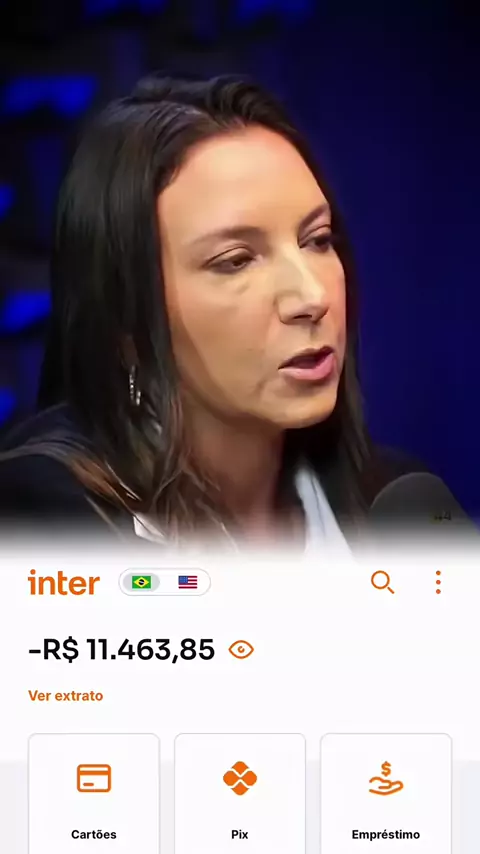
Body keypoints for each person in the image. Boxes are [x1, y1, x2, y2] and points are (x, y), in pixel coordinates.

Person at [0, 73, 433, 550]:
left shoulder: (400, 504)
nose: (312, 297)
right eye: (236, 261)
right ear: (127, 323)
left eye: (317, 240)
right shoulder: (41, 522)